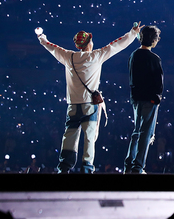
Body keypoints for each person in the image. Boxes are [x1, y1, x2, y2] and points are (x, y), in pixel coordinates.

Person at [36, 23, 140, 173]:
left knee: (69, 137)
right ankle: (87, 169)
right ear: (89, 42)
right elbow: (117, 45)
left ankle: (64, 169)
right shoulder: (96, 56)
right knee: (89, 138)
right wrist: (133, 32)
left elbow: (52, 47)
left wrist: (41, 37)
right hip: (90, 106)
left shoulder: (69, 56)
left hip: (73, 105)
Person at [124, 25, 163, 174]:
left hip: (136, 98)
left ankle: (129, 164)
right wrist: (156, 99)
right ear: (153, 40)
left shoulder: (133, 55)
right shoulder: (154, 58)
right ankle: (138, 166)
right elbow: (158, 83)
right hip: (149, 100)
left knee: (137, 131)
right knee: (145, 133)